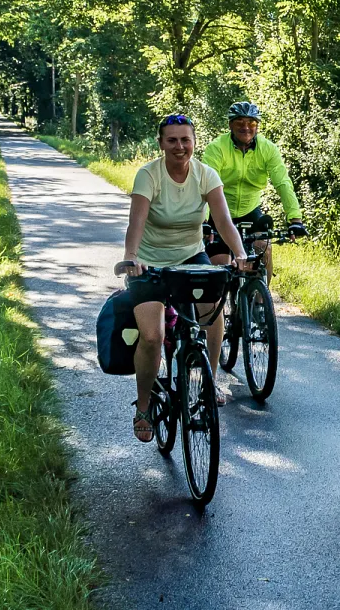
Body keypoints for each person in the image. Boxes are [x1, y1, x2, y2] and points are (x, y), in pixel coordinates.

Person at [118, 114, 250, 443]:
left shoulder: (206, 175)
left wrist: (240, 254)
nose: (180, 146)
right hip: (149, 262)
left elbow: (223, 220)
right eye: (172, 140)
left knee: (212, 315)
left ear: (194, 142)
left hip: (191, 256)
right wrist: (132, 257)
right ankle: (144, 406)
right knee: (152, 336)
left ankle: (210, 381)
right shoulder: (149, 175)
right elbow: (136, 222)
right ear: (161, 144)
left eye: (185, 139)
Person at [201, 101, 307, 278]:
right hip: (219, 212)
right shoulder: (217, 148)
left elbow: (283, 183)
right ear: (230, 125)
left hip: (250, 210)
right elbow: (206, 185)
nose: (246, 128)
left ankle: (261, 295)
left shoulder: (268, 149)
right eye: (239, 123)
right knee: (220, 265)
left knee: (263, 250)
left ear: (257, 126)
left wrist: (295, 219)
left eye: (251, 123)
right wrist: (203, 220)